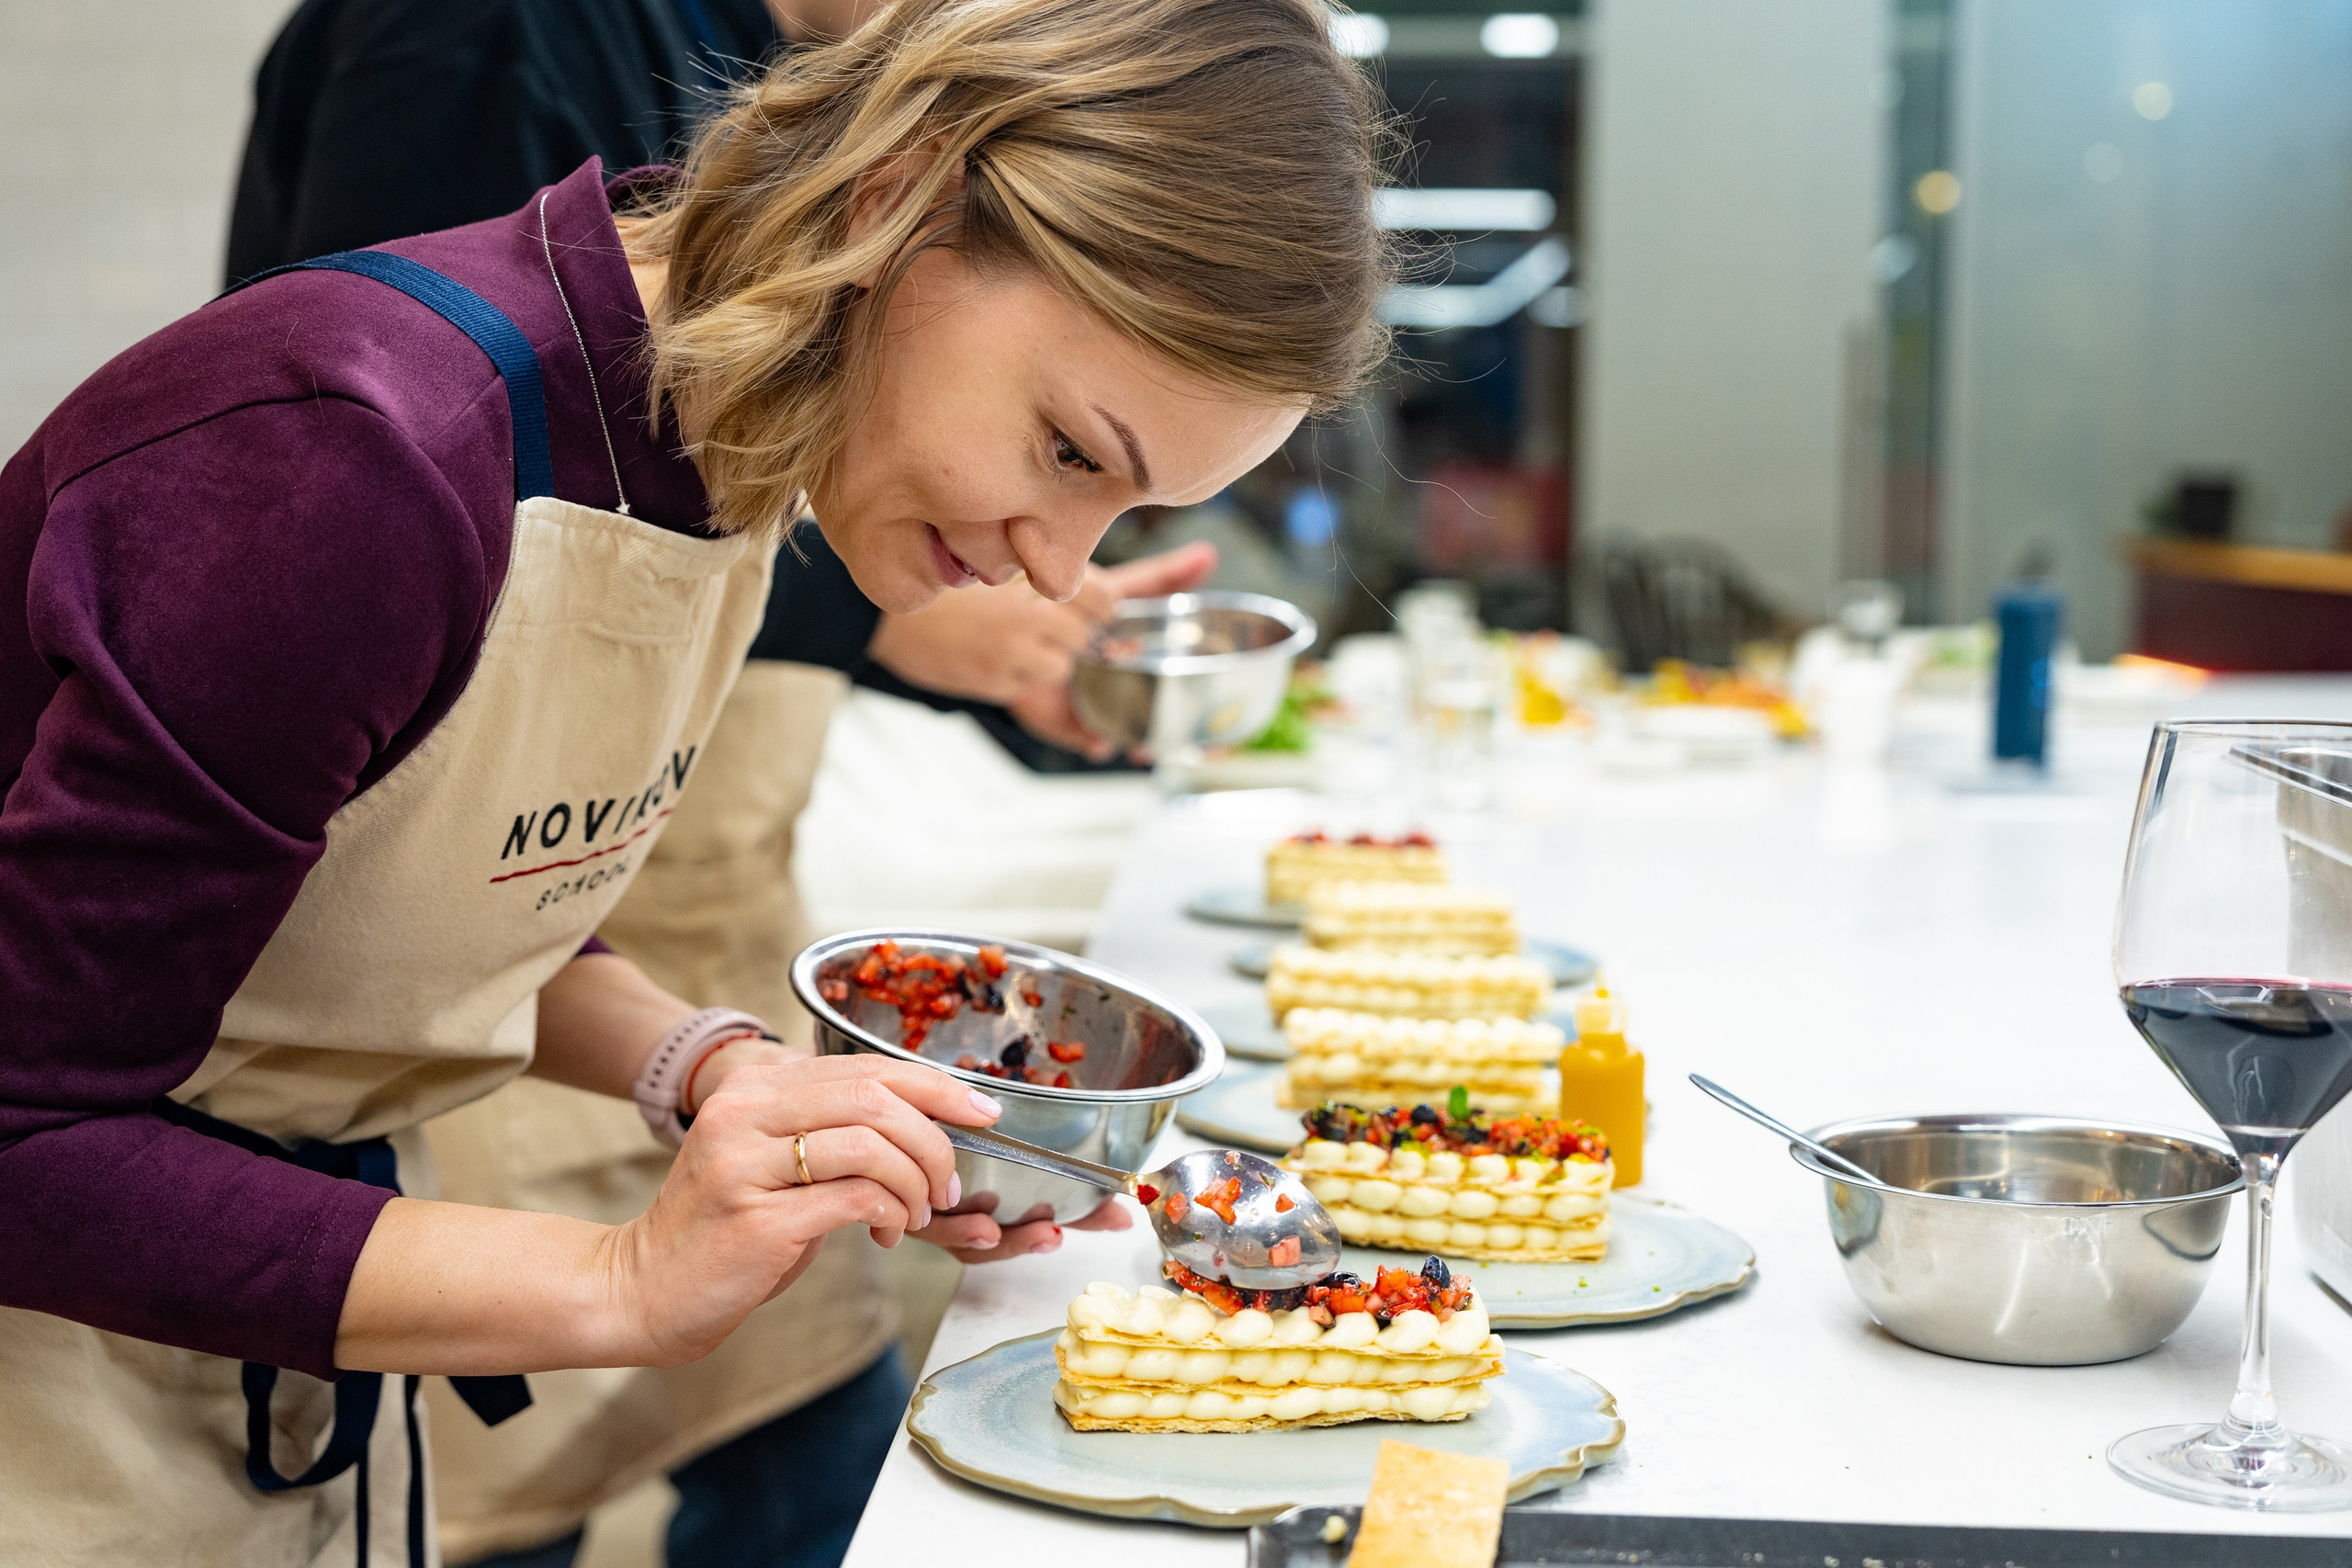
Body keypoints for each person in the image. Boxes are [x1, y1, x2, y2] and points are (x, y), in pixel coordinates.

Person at [0, 5, 1391, 1568]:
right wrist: (621, 1284)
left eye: (1129, 507)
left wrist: (719, 1069)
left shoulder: (720, 431)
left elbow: (413, 901)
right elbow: (22, 1132)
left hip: (256, 1401)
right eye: (1070, 452)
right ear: (899, 194)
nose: (1060, 568)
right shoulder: (365, 459)